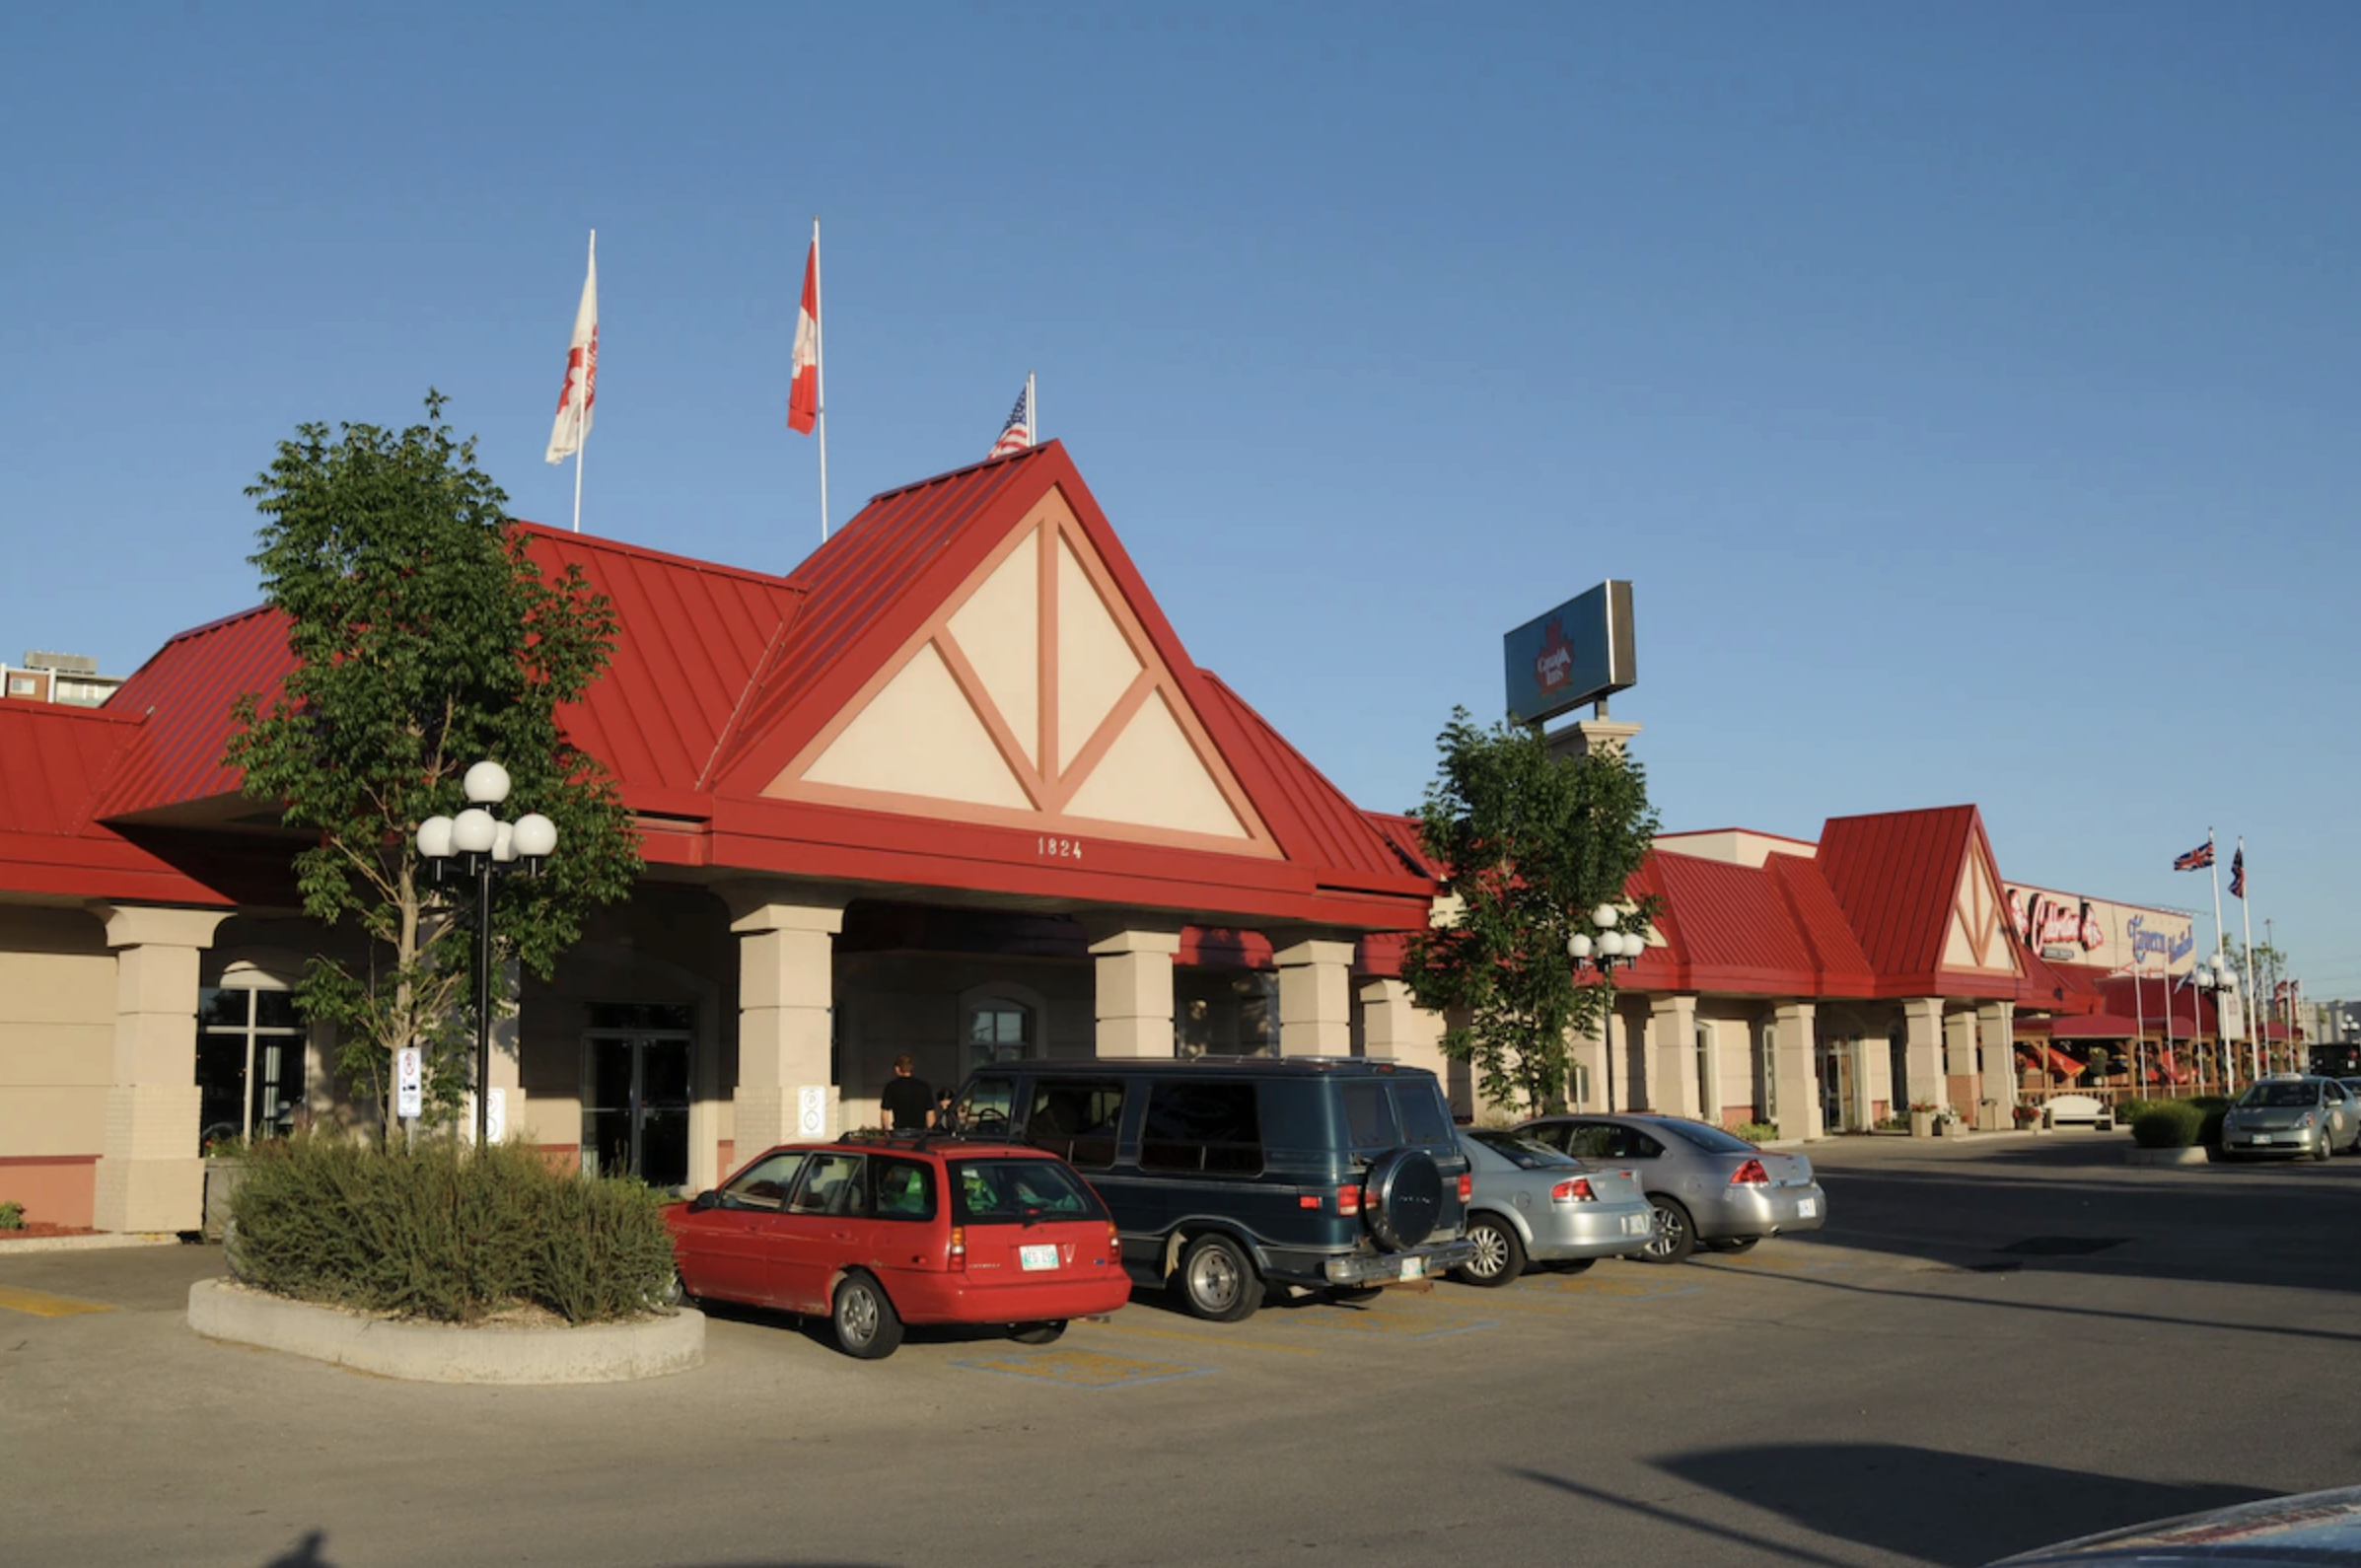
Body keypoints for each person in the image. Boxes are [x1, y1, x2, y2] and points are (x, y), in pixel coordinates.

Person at [880, 1053, 935, 1133]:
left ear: (897, 1069)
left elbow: (885, 1113)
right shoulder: (924, 1087)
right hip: (920, 1131)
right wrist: (930, 1132)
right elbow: (930, 1113)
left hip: (900, 1131)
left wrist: (886, 1131)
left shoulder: (891, 1087)